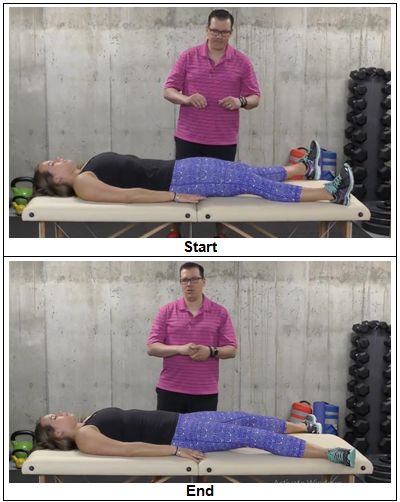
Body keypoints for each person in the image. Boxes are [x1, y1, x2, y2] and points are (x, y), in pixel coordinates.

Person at [163, 9, 261, 237]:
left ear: (231, 33)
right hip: (189, 136)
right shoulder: (188, 57)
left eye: (224, 32)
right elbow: (168, 90)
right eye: (215, 31)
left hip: (223, 139)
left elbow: (255, 98)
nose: (218, 36)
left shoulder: (242, 61)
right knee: (181, 185)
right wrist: (186, 99)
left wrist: (240, 101)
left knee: (223, 187)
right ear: (207, 29)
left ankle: (221, 231)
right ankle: (174, 229)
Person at [32, 140, 355, 206]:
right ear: (57, 180)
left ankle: (302, 168)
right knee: (249, 182)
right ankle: (330, 193)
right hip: (180, 180)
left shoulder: (88, 168)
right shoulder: (85, 183)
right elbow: (130, 196)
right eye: (51, 164)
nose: (56, 159)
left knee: (244, 171)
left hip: (180, 169)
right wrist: (174, 196)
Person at [33, 407, 356, 467]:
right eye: (54, 417)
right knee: (253, 436)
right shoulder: (86, 437)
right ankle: (332, 456)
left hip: (185, 420)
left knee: (247, 417)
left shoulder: (89, 420)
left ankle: (308, 428)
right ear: (58, 433)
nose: (59, 412)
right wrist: (174, 450)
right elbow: (129, 450)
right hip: (183, 432)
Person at [147, 262, 237, 413]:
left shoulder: (220, 312)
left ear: (204, 281)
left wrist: (210, 351)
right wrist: (179, 349)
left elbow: (231, 350)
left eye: (195, 279)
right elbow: (152, 347)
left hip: (205, 393)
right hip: (170, 391)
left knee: (201, 437)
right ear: (180, 283)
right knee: (167, 437)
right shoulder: (167, 311)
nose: (189, 284)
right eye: (185, 280)